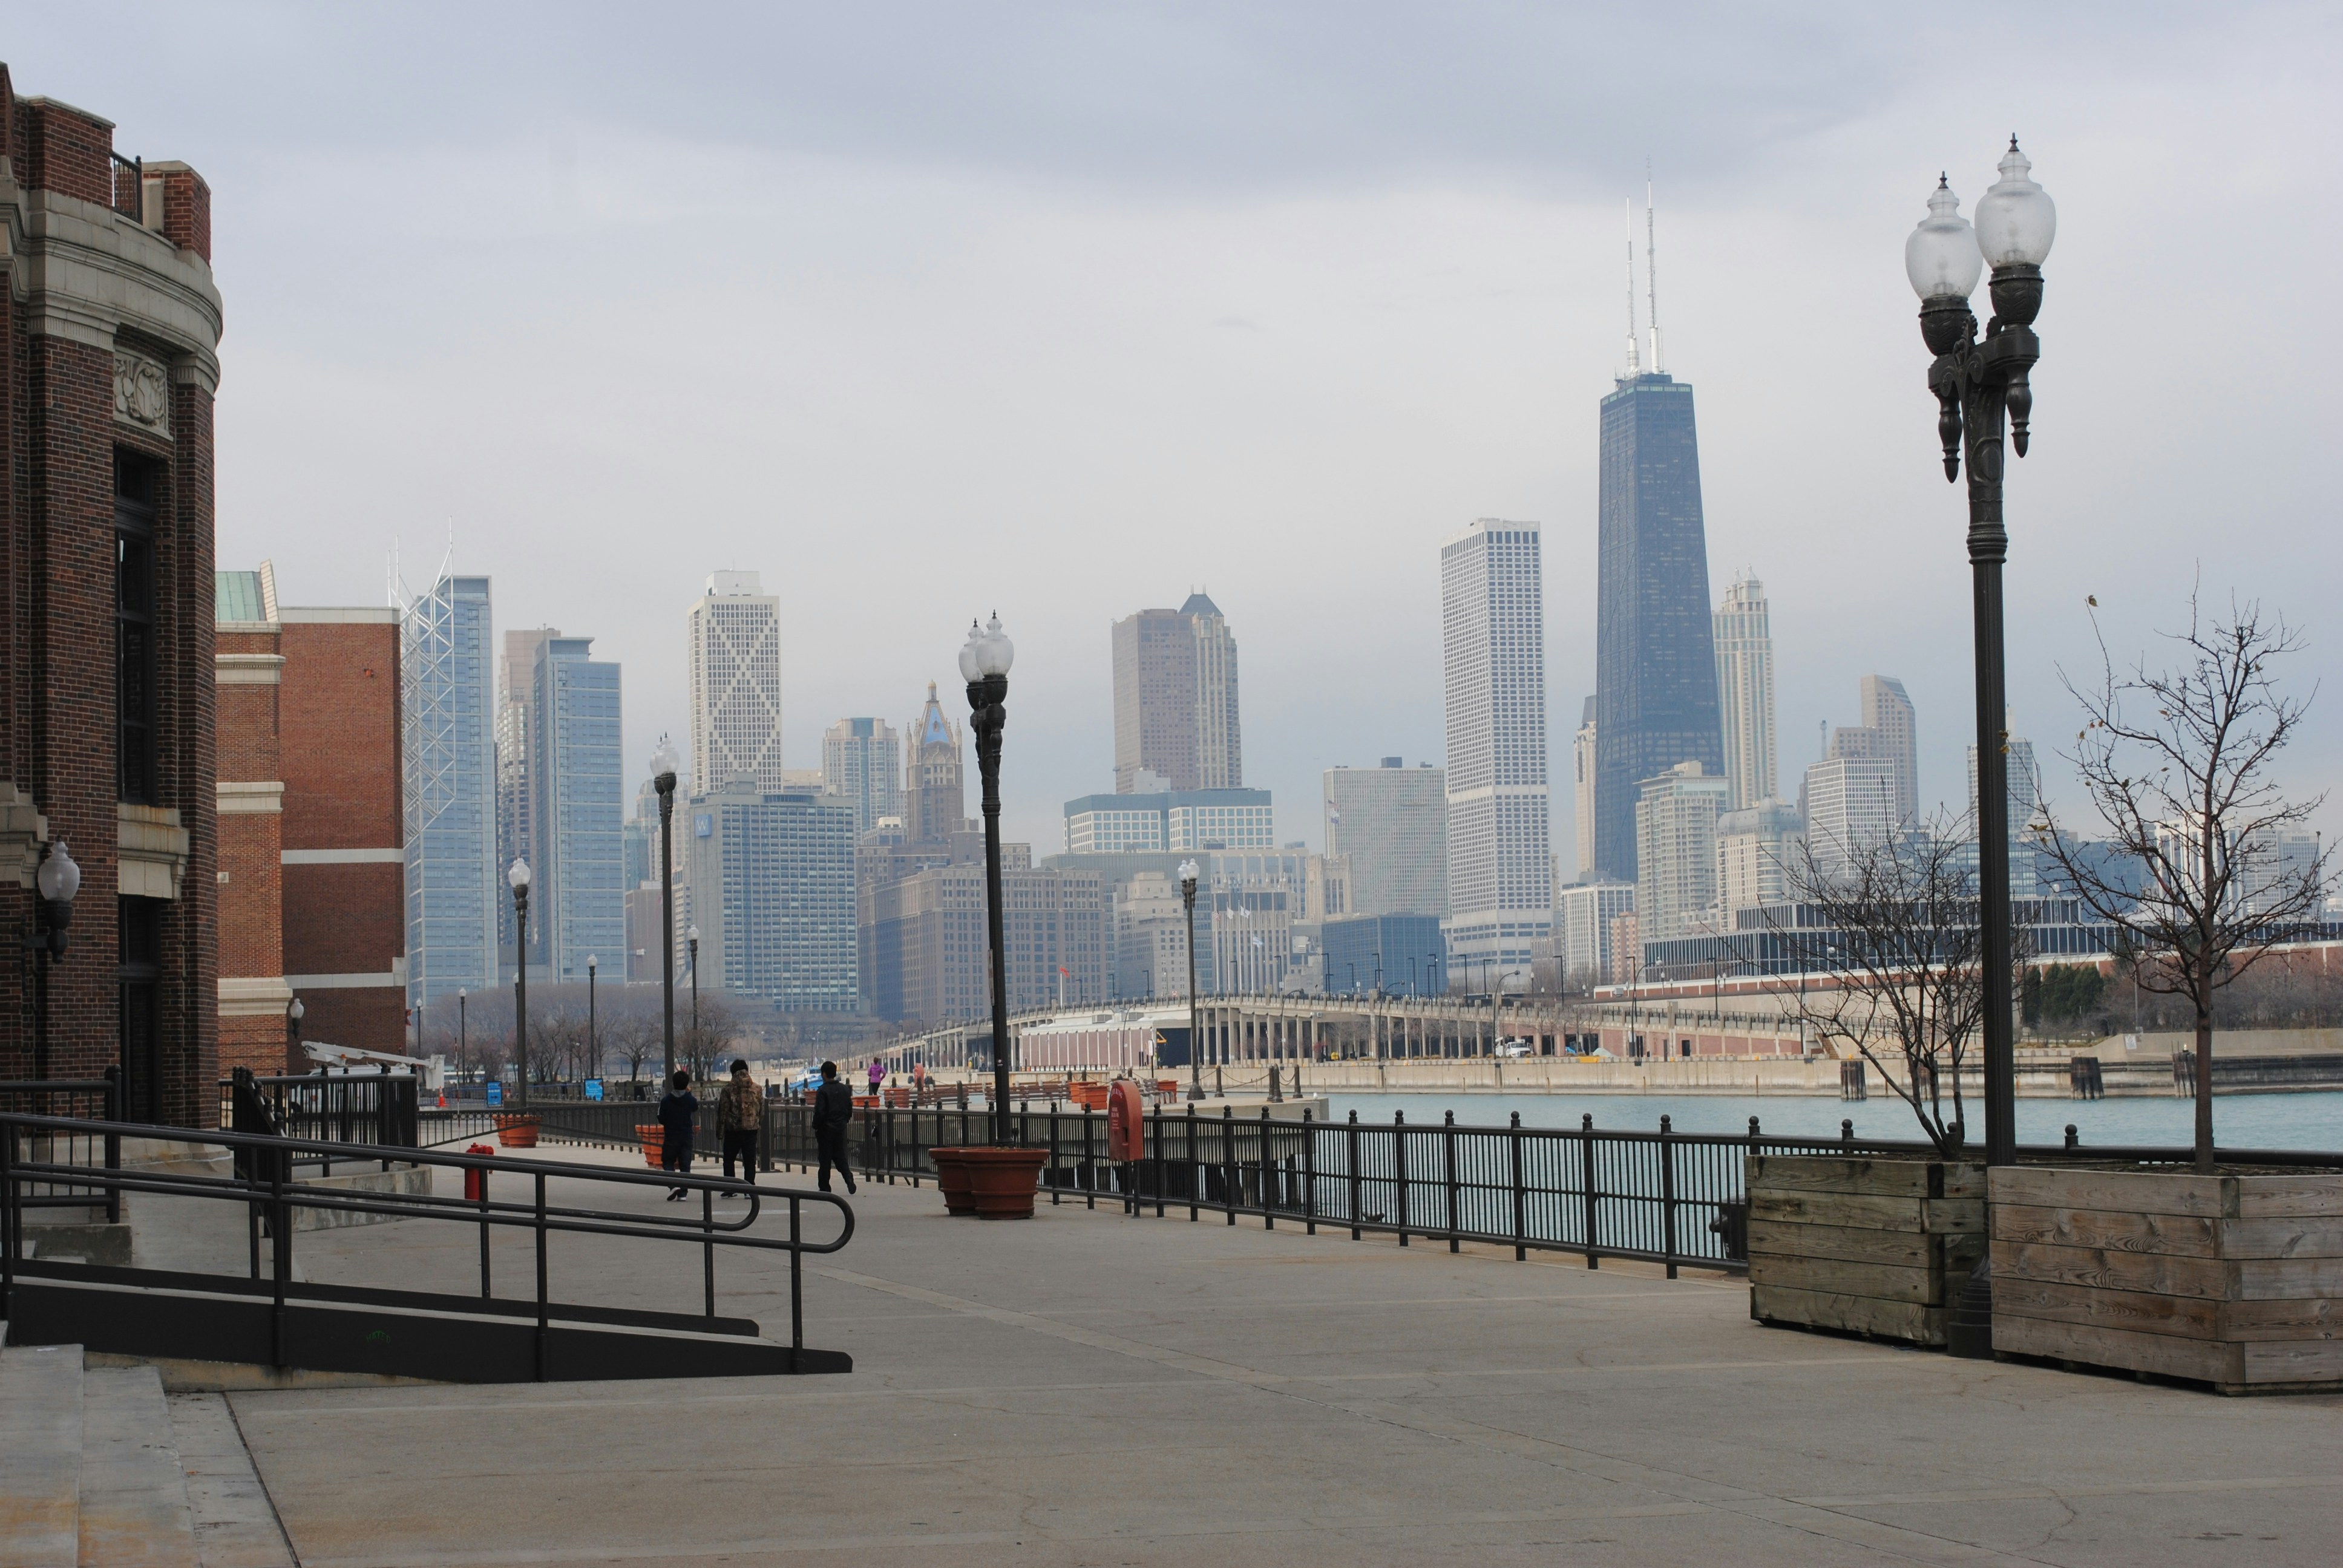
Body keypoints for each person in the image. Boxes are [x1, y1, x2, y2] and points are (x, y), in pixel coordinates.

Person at [716, 1058, 761, 1197]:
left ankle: (731, 1188)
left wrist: (720, 1132)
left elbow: (723, 1111)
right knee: (750, 1160)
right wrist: (757, 1123)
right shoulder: (757, 1088)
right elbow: (761, 1109)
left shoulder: (727, 1090)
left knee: (729, 1159)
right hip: (751, 1129)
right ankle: (749, 1188)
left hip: (733, 1130)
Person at [813, 1059, 857, 1195]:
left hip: (826, 1130)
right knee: (840, 1157)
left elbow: (820, 1112)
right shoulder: (845, 1089)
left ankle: (825, 1186)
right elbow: (849, 1110)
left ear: (824, 1074)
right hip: (840, 1128)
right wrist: (844, 1122)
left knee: (825, 1159)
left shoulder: (822, 1091)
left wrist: (816, 1125)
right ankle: (848, 1178)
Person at [658, 1068, 698, 1201]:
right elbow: (695, 1107)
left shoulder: (666, 1101)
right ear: (686, 1084)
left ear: (673, 1083)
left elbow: (661, 1118)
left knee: (668, 1161)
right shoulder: (690, 1099)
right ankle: (683, 1193)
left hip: (671, 1135)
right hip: (686, 1135)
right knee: (685, 1164)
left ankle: (673, 1185)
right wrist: (689, 1092)